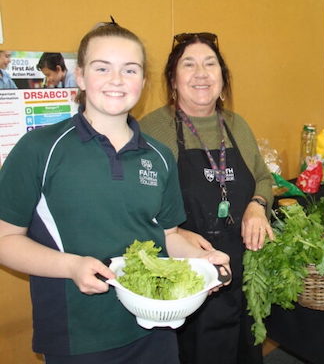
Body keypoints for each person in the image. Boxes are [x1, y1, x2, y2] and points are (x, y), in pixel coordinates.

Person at [0, 22, 230, 364]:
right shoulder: (39, 148)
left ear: (143, 81)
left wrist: (201, 264)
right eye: (102, 67)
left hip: (156, 326)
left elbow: (165, 236)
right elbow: (5, 239)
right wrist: (71, 266)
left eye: (130, 69)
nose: (117, 79)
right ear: (79, 76)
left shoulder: (159, 155)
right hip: (78, 334)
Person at [140, 32, 273, 364]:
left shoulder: (236, 125)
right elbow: (135, 206)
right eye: (189, 64)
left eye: (210, 64)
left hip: (241, 272)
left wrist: (258, 205)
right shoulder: (153, 130)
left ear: (223, 79)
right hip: (187, 278)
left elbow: (262, 177)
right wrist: (174, 232)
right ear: (173, 79)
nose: (201, 73)